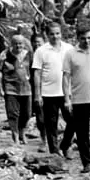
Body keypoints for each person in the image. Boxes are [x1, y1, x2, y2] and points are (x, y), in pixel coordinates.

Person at [61, 25, 90, 172]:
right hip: (79, 98)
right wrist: (67, 99)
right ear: (77, 38)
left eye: (89, 38)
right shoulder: (70, 54)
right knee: (82, 132)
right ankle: (87, 162)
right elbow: (66, 77)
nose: (87, 41)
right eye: (83, 38)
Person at [32, 22, 73, 155]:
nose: (55, 36)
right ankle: (54, 152)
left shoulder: (69, 48)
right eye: (52, 34)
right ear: (47, 35)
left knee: (73, 120)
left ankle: (65, 145)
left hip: (67, 92)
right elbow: (37, 73)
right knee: (51, 124)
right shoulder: (41, 51)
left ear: (61, 33)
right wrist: (37, 95)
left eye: (57, 33)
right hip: (48, 93)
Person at [0, 35, 33, 144]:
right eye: (16, 43)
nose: (18, 46)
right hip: (10, 87)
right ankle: (15, 134)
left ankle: (22, 130)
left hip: (26, 88)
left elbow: (33, 70)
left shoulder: (28, 55)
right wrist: (0, 88)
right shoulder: (5, 55)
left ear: (24, 44)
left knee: (27, 113)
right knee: (12, 112)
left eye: (20, 43)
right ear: (11, 44)